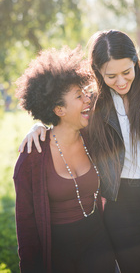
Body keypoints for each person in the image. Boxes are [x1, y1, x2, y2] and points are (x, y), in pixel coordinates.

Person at [19, 30, 140, 273]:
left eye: (127, 72)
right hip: (121, 205)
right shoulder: (93, 102)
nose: (121, 82)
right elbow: (66, 121)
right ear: (98, 72)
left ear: (136, 61)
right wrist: (39, 126)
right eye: (111, 76)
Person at [14, 46, 116, 273]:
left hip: (99, 246)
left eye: (85, 93)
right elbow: (26, 227)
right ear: (59, 109)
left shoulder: (93, 137)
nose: (87, 99)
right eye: (79, 97)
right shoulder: (32, 156)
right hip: (58, 255)